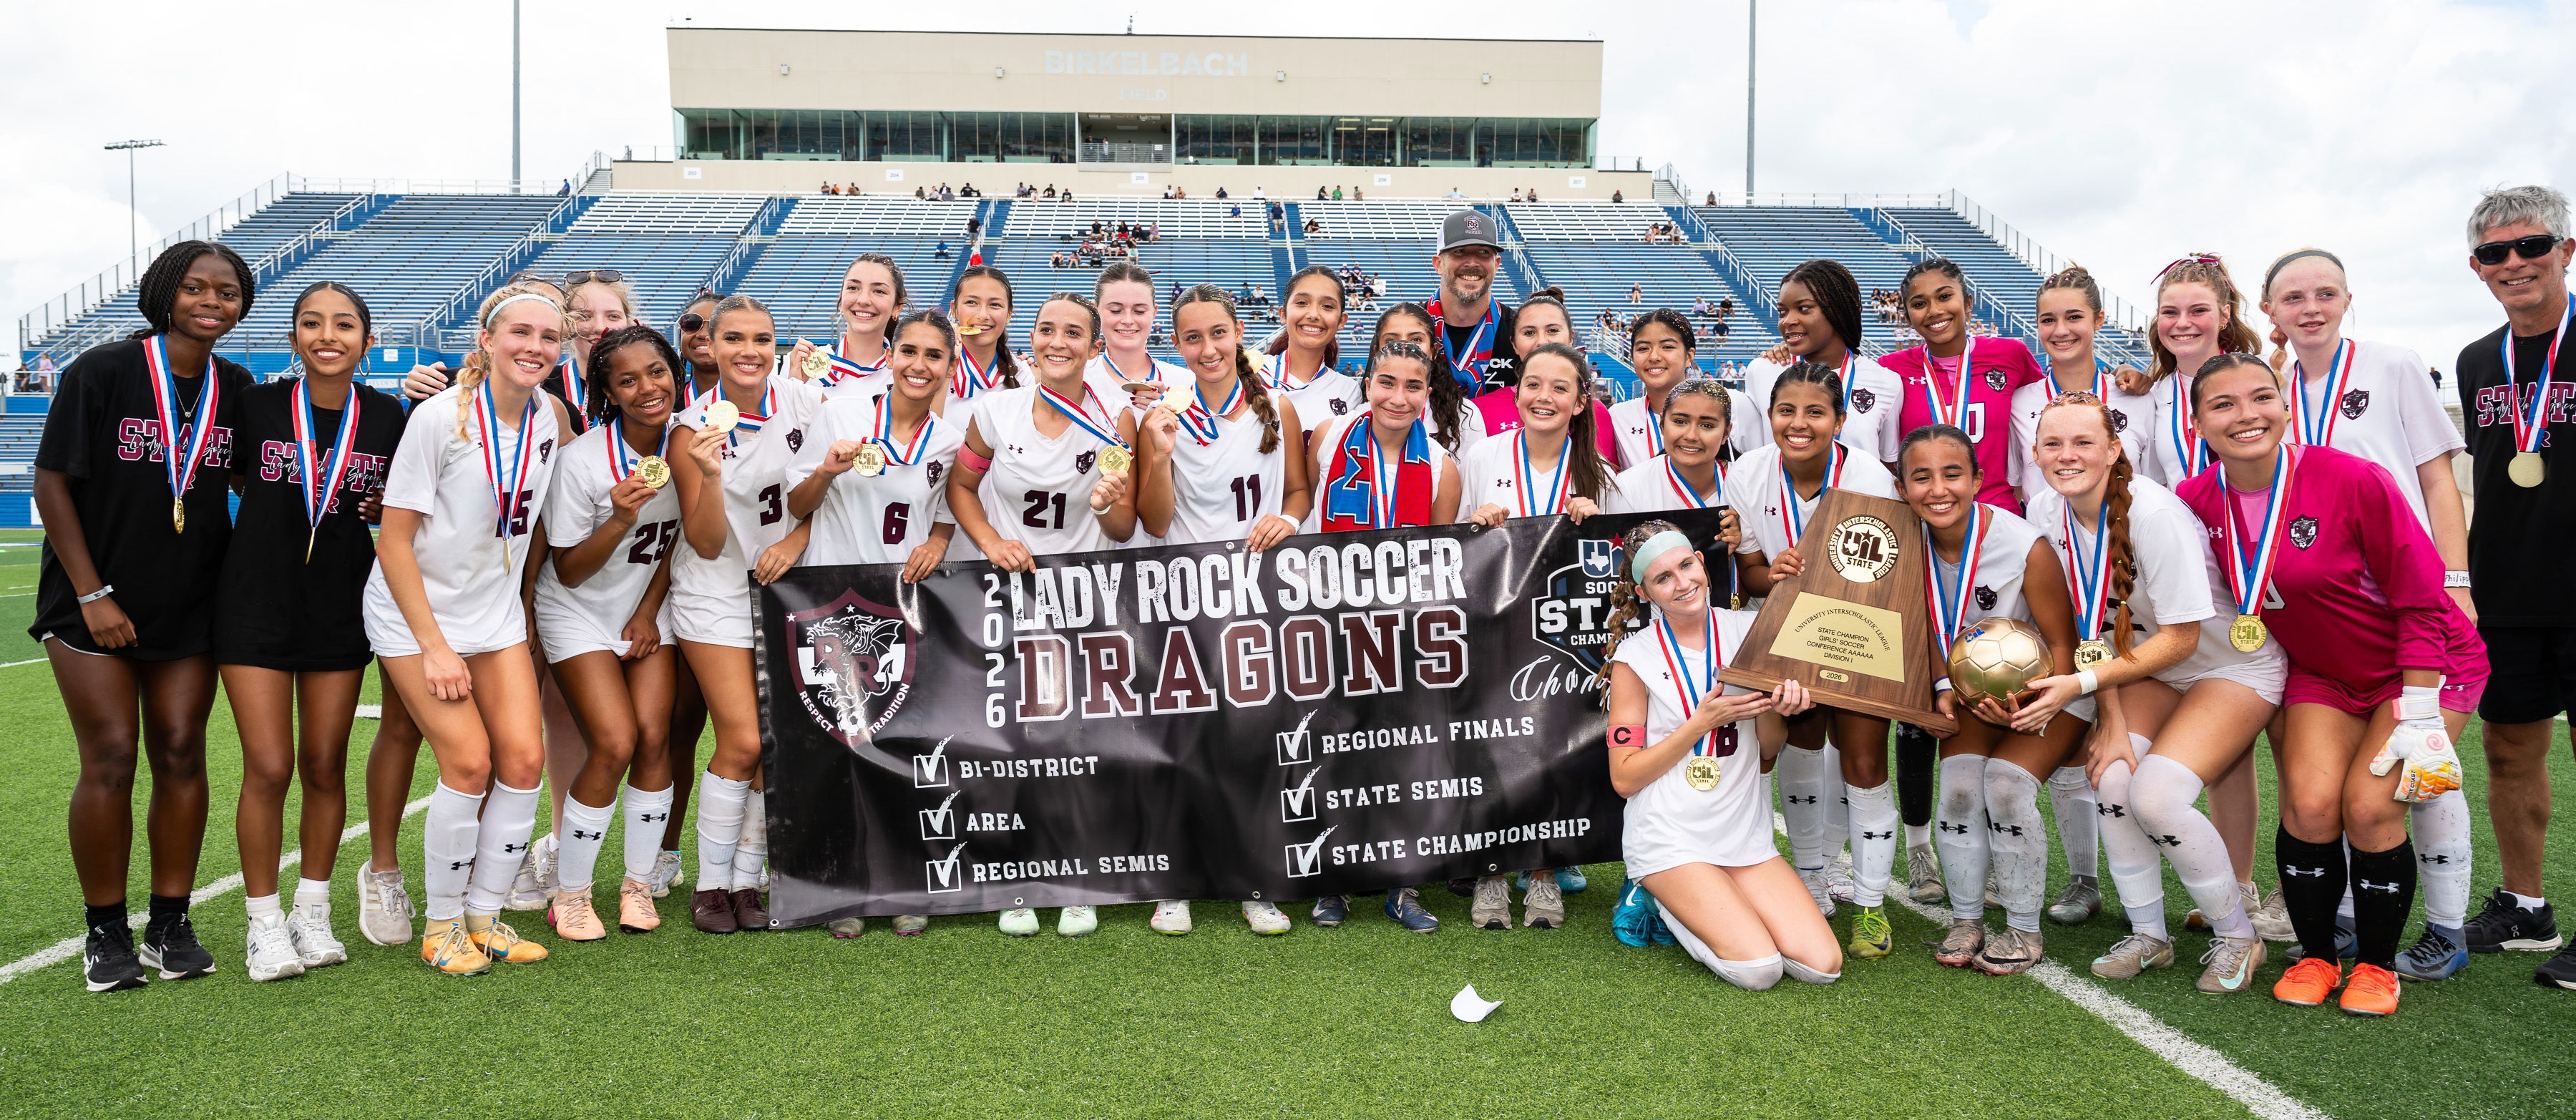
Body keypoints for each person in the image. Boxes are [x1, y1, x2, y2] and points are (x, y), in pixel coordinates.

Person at [2175, 354, 2485, 1016]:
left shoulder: (2352, 478)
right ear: (2197, 423)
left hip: (2425, 665)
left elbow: (2423, 600)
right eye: (2223, 404)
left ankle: (2377, 967)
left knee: (2370, 809)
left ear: (2285, 406)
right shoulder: (2194, 501)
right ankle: (2318, 955)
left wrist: (2420, 710)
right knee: (2312, 807)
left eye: (2261, 397)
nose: (2246, 415)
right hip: (2326, 673)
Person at [36, 240, 257, 992]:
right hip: (91, 603)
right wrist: (92, 595)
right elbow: (52, 484)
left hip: (190, 601)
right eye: (195, 287)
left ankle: (169, 922)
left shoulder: (235, 385)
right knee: (110, 755)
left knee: (182, 751)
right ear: (165, 292)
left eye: (227, 292)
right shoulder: (103, 370)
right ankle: (105, 930)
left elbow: (252, 475)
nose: (211, 301)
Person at [2258, 246, 2481, 980]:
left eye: (2326, 293)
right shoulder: (2271, 390)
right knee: (2350, 781)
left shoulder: (2392, 366)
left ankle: (2446, 925)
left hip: (2410, 602)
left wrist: (2455, 581)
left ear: (2349, 299)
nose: (2311, 308)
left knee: (2422, 766)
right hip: (2335, 617)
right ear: (2269, 310)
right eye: (2294, 297)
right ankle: (2351, 913)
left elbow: (2437, 480)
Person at [2016, 391, 2285, 993]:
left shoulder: (2154, 513)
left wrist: (2083, 685)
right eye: (2053, 443)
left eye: (2083, 442)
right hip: (2143, 672)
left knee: (2158, 797)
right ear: (2034, 452)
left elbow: (2182, 639)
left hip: (2229, 667)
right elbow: (2092, 624)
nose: (2067, 455)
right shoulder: (2044, 508)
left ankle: (2239, 936)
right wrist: (2109, 718)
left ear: (2114, 449)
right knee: (2112, 777)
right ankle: (2149, 935)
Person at [366, 281, 571, 974]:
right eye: (521, 333)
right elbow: (394, 541)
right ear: (486, 340)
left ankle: (484, 915)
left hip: (494, 611)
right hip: (416, 614)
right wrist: (434, 648)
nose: (535, 347)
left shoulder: (548, 418)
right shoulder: (438, 417)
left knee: (524, 761)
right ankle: (441, 924)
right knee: (469, 762)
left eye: (549, 337)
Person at [216, 282, 406, 980]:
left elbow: (401, 500)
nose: (328, 335)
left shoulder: (388, 415)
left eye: (345, 324)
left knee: (325, 763)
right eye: (312, 322)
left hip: (341, 604)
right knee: (269, 765)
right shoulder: (255, 405)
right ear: (293, 335)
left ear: (367, 339)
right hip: (254, 603)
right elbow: (237, 478)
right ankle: (264, 922)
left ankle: (313, 910)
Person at [1131, 286, 1314, 932]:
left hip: (1254, 597)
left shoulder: (1278, 406)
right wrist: (1158, 453)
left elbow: (1298, 491)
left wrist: (1289, 519)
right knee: (1182, 744)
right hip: (1181, 597)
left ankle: (1253, 879)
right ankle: (1176, 881)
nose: (1207, 348)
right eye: (1192, 337)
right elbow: (1155, 522)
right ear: (1176, 345)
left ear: (1239, 333)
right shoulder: (1162, 415)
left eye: (1218, 333)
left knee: (1250, 743)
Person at [2124, 253, 2288, 943]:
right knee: (2230, 747)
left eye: (2198, 309)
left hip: (2270, 563)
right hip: (2201, 572)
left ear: (2226, 313)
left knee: (2291, 735)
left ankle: (2300, 884)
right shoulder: (2150, 394)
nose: (2183, 322)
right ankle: (2241, 879)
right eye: (2170, 312)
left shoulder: (2263, 376)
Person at [1599, 520, 1838, 989]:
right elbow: (1623, 779)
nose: (1682, 582)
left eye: (1686, 565)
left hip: (1742, 835)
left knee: (1822, 965)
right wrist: (1698, 724)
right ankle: (1658, 898)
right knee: (1759, 969)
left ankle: (1716, 897)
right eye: (1663, 577)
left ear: (1702, 564)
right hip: (1670, 836)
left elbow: (1767, 748)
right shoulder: (1633, 657)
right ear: (1644, 593)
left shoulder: (1752, 630)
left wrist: (1778, 709)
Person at [1720, 361, 1904, 956]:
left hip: (1859, 629)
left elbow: (1886, 576)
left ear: (1840, 420)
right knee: (1801, 740)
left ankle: (1871, 906)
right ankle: (1810, 878)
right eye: (1786, 411)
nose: (1799, 424)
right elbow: (1748, 574)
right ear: (1770, 416)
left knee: (1864, 759)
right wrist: (1772, 573)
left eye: (1815, 412)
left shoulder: (1869, 476)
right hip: (1784, 632)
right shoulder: (1747, 471)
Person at [1893, 426, 2088, 974]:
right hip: (1973, 694)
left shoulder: (2024, 545)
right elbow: (1926, 629)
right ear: (1902, 488)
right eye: (1921, 477)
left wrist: (2038, 705)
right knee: (1958, 790)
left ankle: (2024, 928)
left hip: (2052, 690)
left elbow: (2063, 646)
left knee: (2004, 786)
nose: (1938, 489)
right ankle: (1967, 919)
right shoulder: (1902, 544)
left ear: (1978, 479)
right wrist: (1940, 690)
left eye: (1953, 474)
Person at [2451, 185, 2576, 988]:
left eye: (2532, 245)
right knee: (2508, 747)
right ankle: (2526, 905)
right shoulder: (2475, 360)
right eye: (2496, 252)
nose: (2515, 263)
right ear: (2478, 267)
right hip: (2508, 586)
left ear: (2566, 250)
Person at [529, 324, 689, 944]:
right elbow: (568, 569)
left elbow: (678, 543)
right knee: (615, 740)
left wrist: (648, 609)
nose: (647, 388)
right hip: (577, 609)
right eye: (627, 380)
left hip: (647, 605)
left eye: (657, 371)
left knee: (654, 737)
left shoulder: (690, 442)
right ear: (608, 392)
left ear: (675, 372)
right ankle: (570, 895)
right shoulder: (583, 461)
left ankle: (637, 885)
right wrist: (620, 517)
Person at [1453, 343, 1616, 927]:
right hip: (1494, 630)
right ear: (1517, 391)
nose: (1544, 396)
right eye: (1533, 384)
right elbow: (1455, 542)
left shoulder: (1600, 473)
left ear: (1580, 402)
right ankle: (1492, 870)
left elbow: (1618, 561)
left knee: (1552, 752)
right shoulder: (1483, 455)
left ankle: (1543, 871)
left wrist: (1596, 524)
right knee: (1494, 748)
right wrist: (1477, 525)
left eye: (1559, 387)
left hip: (1561, 639)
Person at [668, 296, 813, 936]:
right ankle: (710, 882)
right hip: (715, 590)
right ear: (712, 345)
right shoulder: (689, 426)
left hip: (786, 588)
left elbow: (829, 496)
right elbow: (704, 541)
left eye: (761, 338)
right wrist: (706, 472)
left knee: (773, 741)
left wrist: (795, 541)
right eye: (734, 339)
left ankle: (748, 879)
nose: (749, 351)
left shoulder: (806, 402)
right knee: (745, 740)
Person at [1883, 258, 2046, 512]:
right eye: (1919, 304)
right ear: (1908, 317)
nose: (1934, 310)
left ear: (1968, 303)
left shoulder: (2011, 355)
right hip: (1924, 517)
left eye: (1944, 297)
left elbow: (2046, 408)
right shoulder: (1890, 369)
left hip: (1998, 515)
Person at [1741, 260, 1905, 466]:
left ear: (1837, 311)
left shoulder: (1886, 382)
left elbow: (1887, 464)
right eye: (1782, 312)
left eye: (1803, 308)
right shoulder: (1763, 370)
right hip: (1780, 488)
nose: (1787, 321)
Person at [1496, 289, 1619, 457]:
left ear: (1571, 338)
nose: (1542, 342)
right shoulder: (1482, 410)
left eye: (1553, 330)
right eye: (1529, 333)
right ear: (1514, 344)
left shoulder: (1597, 413)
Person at [1428, 210, 1520, 417]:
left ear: (1496, 264)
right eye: (1460, 252)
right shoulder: (1407, 327)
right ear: (1438, 264)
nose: (1472, 263)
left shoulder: (1520, 330)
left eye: (1483, 252)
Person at [1260, 266, 1365, 434]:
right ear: (1283, 314)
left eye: (1327, 306)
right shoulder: (1251, 373)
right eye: (1302, 303)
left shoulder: (1349, 391)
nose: (1313, 314)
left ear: (1342, 321)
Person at [786, 253, 909, 394]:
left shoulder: (907, 371)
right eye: (853, 288)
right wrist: (794, 386)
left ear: (897, 307)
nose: (863, 300)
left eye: (879, 291)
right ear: (841, 300)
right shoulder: (802, 364)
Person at [947, 265, 1024, 406]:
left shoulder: (1022, 373)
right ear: (954, 309)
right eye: (971, 302)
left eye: (995, 305)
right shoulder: (932, 365)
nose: (983, 315)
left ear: (1009, 314)